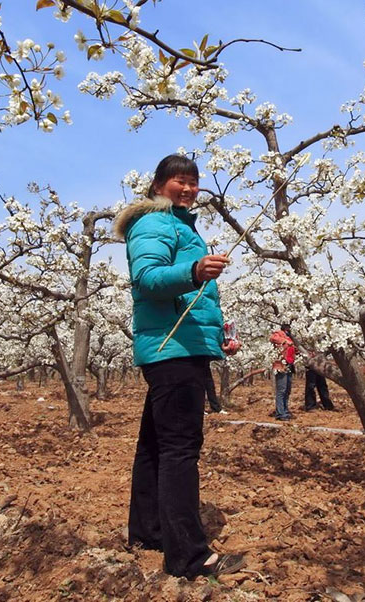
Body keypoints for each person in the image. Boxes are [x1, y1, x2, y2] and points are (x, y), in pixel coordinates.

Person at [113, 154, 244, 579]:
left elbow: (192, 299)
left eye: (193, 182)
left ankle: (149, 531)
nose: (188, 189)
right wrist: (194, 269)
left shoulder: (180, 224)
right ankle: (187, 557)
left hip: (180, 346)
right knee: (180, 449)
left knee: (155, 445)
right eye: (179, 181)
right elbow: (148, 279)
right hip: (172, 351)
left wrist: (218, 331)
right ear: (157, 185)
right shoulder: (155, 223)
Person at [269, 325, 295, 421]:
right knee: (281, 390)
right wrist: (284, 341)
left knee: (287, 390)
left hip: (289, 365)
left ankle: (285, 410)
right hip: (281, 366)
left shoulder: (290, 337)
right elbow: (272, 338)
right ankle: (280, 413)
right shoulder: (279, 334)